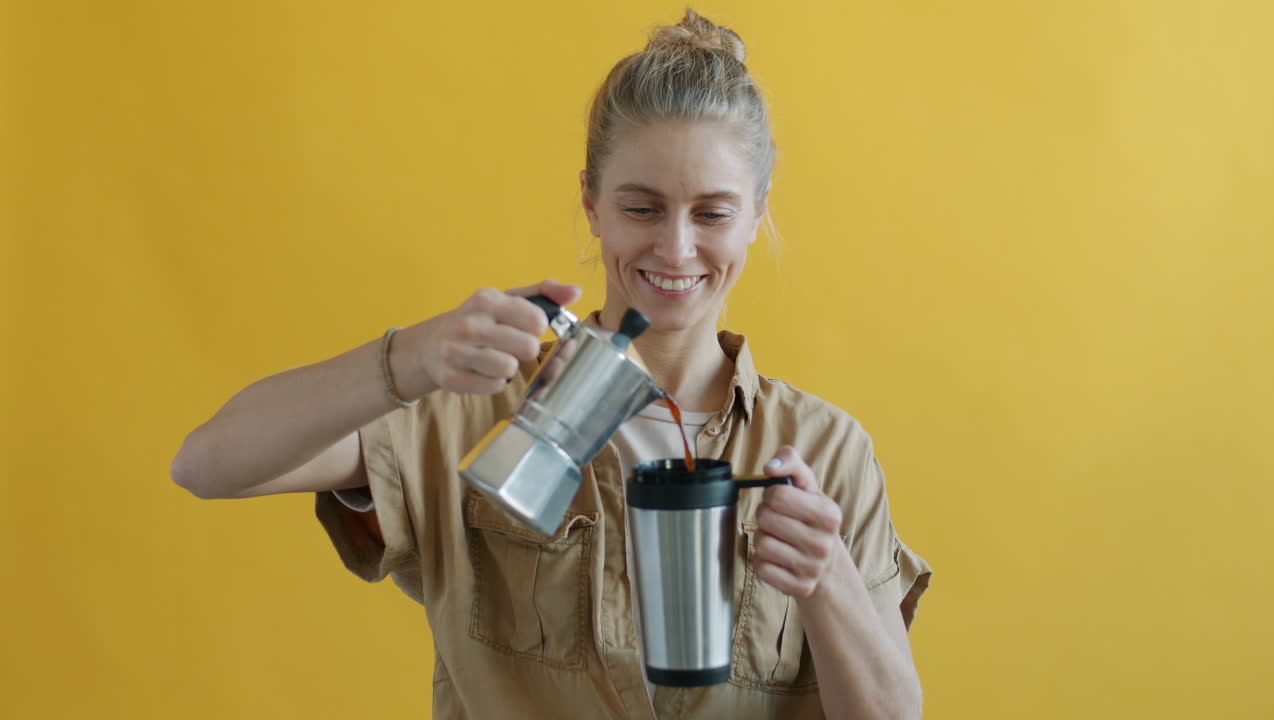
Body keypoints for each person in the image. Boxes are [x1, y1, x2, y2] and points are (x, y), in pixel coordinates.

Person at [171, 9, 931, 719]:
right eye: (640, 207)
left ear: (757, 215)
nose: (674, 247)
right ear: (591, 204)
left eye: (712, 212)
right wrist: (411, 357)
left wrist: (828, 579)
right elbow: (205, 464)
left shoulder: (824, 451)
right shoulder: (469, 409)